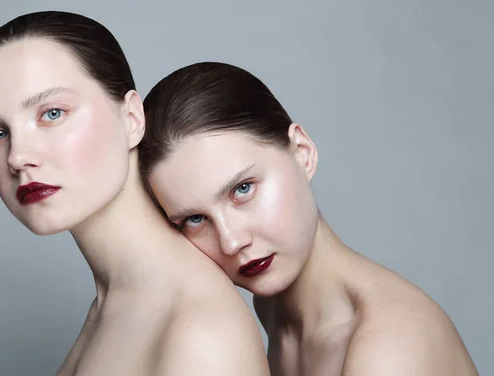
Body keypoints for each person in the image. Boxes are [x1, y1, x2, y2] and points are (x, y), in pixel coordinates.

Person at [0, 12, 270, 376]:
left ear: (131, 118)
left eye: (51, 113)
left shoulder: (200, 332)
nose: (17, 157)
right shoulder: (115, 302)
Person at [139, 61, 479, 375]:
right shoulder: (272, 311)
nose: (231, 241)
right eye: (195, 219)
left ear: (303, 152)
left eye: (243, 189)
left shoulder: (390, 346)